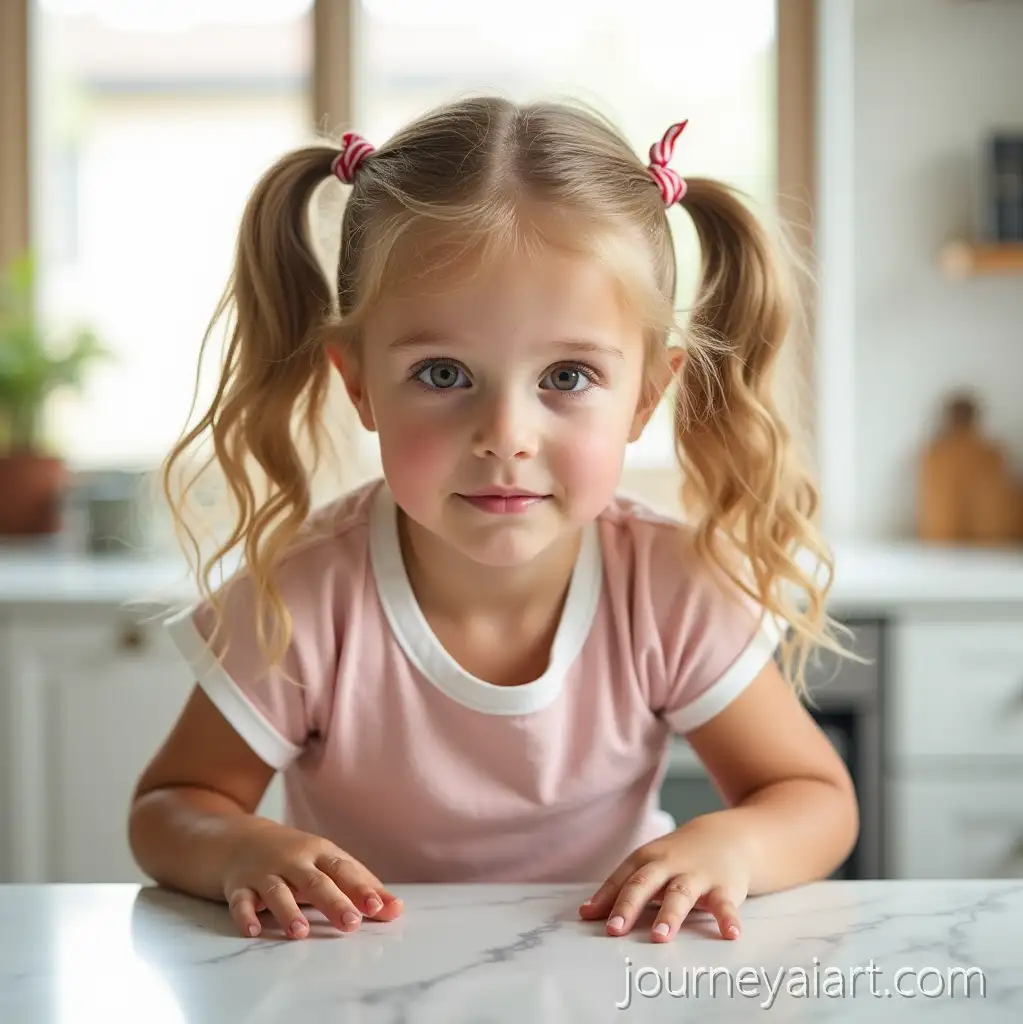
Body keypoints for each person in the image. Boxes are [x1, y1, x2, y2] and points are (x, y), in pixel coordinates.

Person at [128, 96, 859, 946]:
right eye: (442, 374)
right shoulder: (308, 593)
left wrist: (729, 843)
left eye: (569, 377)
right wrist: (239, 848)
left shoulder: (664, 585)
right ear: (359, 382)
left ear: (648, 393)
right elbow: (170, 807)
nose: (506, 437)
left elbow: (814, 800)